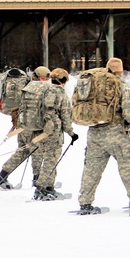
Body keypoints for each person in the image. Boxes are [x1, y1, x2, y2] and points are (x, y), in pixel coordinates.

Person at [76, 57, 130, 214]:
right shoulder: (120, 86)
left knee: (92, 169)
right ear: (121, 71)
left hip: (94, 132)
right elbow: (129, 112)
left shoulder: (92, 86)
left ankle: (85, 203)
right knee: (128, 165)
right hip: (115, 133)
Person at [0, 66, 51, 191]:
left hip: (21, 123)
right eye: (43, 78)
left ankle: (2, 175)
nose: (45, 81)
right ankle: (37, 179)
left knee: (23, 151)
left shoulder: (26, 86)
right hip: (32, 125)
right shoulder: (36, 89)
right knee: (35, 150)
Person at [31, 67, 78, 200]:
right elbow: (65, 116)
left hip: (41, 129)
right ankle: (40, 188)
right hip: (54, 131)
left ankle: (49, 187)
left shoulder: (44, 91)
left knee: (48, 157)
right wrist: (71, 133)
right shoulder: (61, 94)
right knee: (51, 160)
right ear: (63, 81)